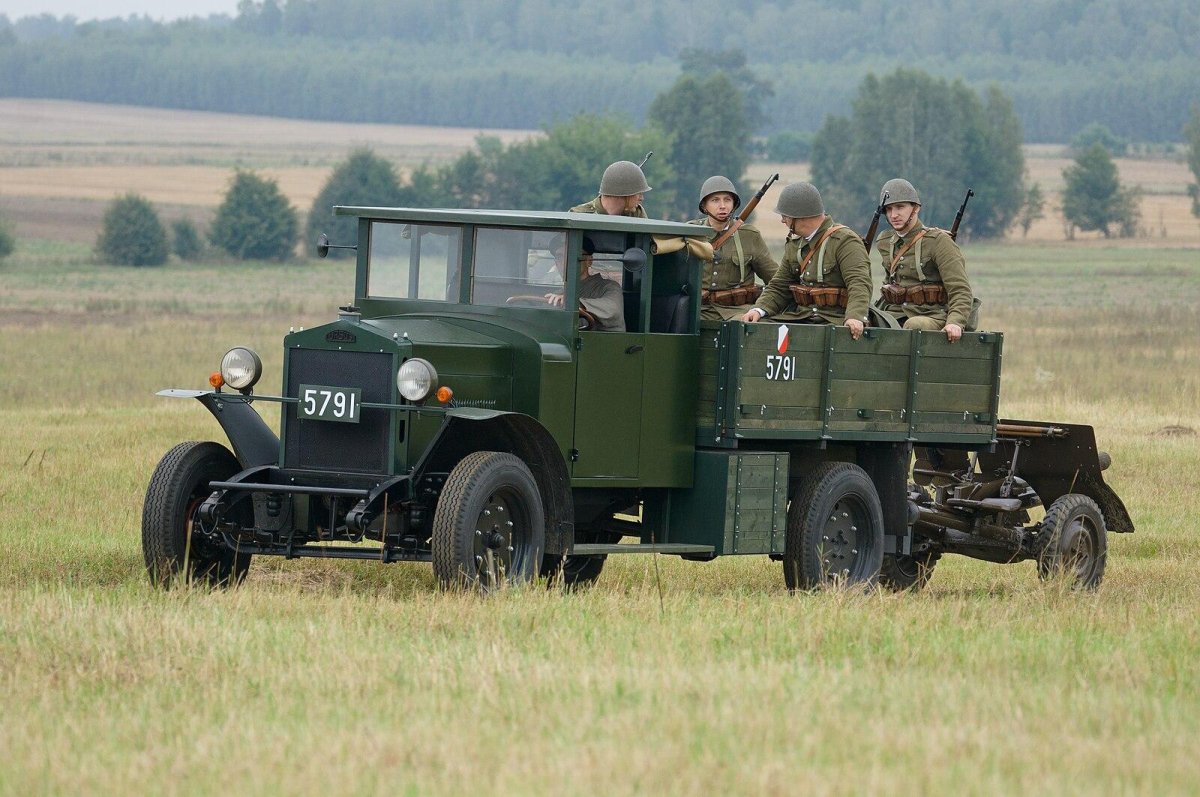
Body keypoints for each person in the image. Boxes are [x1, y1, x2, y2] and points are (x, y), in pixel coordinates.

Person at [739, 182, 871, 340]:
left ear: (799, 216)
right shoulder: (796, 245)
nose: (783, 221)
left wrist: (855, 316)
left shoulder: (844, 241)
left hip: (835, 320)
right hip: (801, 317)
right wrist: (759, 310)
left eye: (785, 216)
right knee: (757, 329)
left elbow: (859, 282)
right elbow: (779, 286)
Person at [873, 178, 974, 342]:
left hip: (933, 314)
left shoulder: (938, 242)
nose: (894, 214)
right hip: (895, 312)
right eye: (889, 209)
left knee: (914, 325)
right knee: (862, 321)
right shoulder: (884, 242)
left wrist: (955, 322)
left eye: (900, 207)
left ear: (916, 208)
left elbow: (960, 289)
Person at [688, 176, 778, 321]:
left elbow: (776, 281)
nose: (722, 205)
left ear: (734, 204)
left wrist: (761, 308)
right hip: (697, 309)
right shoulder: (690, 232)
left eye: (727, 200)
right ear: (704, 206)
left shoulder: (749, 236)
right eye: (715, 200)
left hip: (738, 311)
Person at [545, 236, 625, 331]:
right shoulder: (559, 293)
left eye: (572, 255)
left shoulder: (608, 287)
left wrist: (575, 303)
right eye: (559, 257)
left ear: (589, 261)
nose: (564, 261)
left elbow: (612, 309)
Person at [569, 161, 650, 218]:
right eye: (638, 193)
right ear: (623, 193)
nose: (641, 198)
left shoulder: (636, 214)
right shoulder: (579, 216)